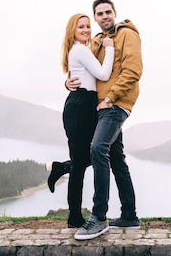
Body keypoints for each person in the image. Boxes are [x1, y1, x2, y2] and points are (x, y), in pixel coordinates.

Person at [68, 0, 143, 240]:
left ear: (114, 12)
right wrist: (68, 82)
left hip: (115, 104)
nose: (104, 17)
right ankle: (129, 216)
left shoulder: (127, 34)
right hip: (101, 106)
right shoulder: (97, 42)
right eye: (99, 14)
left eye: (107, 12)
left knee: (97, 148)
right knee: (116, 158)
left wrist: (110, 98)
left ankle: (99, 217)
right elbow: (84, 69)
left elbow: (133, 71)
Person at [49, 13, 114, 228]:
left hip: (84, 104)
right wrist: (110, 48)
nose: (86, 30)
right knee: (80, 164)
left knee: (85, 158)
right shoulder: (79, 49)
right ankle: (74, 217)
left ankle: (60, 168)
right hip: (80, 106)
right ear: (73, 31)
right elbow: (103, 75)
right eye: (81, 27)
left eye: (88, 26)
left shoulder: (80, 49)